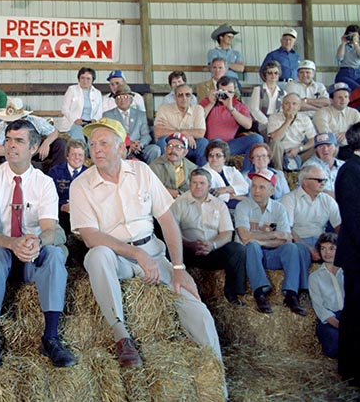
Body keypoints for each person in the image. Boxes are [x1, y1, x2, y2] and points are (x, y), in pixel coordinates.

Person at [69, 118, 223, 373]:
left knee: (198, 310)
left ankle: (218, 383)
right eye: (92, 143)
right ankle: (122, 338)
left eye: (104, 143)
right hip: (117, 257)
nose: (96, 148)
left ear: (122, 148)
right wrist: (136, 253)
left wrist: (178, 267)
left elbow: (167, 219)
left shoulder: (141, 172)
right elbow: (90, 236)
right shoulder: (81, 185)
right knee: (96, 255)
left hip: (153, 251)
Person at [0, 118, 76, 369]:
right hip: (3, 254)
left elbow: (50, 230)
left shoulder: (44, 183)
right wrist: (12, 243)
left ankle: (51, 337)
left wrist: (36, 242)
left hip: (33, 253)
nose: (11, 146)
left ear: (33, 148)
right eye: (8, 140)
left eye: (18, 141)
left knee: (53, 254)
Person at [235, 169, 309, 315]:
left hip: (272, 253)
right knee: (252, 246)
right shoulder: (243, 206)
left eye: (261, 187)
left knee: (291, 247)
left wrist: (261, 240)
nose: (256, 191)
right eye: (254, 186)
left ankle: (291, 293)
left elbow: (287, 237)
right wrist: (274, 234)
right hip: (252, 257)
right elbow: (244, 236)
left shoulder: (279, 208)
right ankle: (260, 292)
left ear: (272, 190)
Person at [171, 168, 246, 305]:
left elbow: (227, 233)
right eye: (194, 183)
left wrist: (213, 245)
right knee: (168, 250)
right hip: (187, 250)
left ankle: (233, 294)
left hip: (212, 250)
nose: (198, 186)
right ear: (190, 184)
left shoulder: (219, 205)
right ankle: (177, 295)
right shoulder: (179, 204)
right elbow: (172, 232)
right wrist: (189, 244)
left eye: (202, 183)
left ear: (209, 186)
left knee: (237, 249)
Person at [333, 121, 360, 385]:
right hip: (356, 254)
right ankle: (351, 368)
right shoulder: (351, 171)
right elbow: (354, 219)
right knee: (354, 312)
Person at [280, 165, 341, 265]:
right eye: (319, 180)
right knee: (301, 251)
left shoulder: (327, 200)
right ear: (305, 182)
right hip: (299, 241)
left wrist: (338, 244)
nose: (323, 183)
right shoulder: (289, 199)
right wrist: (310, 249)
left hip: (321, 241)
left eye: (324, 180)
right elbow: (288, 230)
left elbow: (339, 225)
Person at [200, 76, 262, 172]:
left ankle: (245, 174)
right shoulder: (208, 101)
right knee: (217, 141)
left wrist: (231, 108)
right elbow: (197, 119)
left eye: (229, 92)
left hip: (230, 144)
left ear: (234, 92)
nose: (226, 95)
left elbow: (248, 125)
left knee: (257, 138)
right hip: (211, 143)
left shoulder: (239, 106)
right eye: (222, 92)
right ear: (217, 91)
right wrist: (211, 103)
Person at [0, 97, 66, 174]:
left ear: (23, 117)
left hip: (37, 153)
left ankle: (58, 175)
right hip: (14, 155)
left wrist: (46, 143)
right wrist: (17, 151)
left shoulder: (35, 120)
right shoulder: (3, 125)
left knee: (60, 144)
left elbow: (54, 131)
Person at [103, 84, 160, 163]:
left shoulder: (140, 114)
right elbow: (110, 136)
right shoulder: (108, 115)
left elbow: (146, 135)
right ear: (115, 101)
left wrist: (140, 144)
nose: (122, 100)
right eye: (119, 97)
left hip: (138, 148)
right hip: (120, 148)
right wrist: (128, 145)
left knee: (155, 149)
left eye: (125, 97)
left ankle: (148, 173)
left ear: (131, 100)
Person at [153, 83, 208, 166]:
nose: (184, 98)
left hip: (190, 145)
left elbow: (200, 133)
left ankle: (202, 175)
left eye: (187, 95)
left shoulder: (198, 109)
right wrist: (185, 134)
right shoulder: (164, 109)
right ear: (175, 97)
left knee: (203, 142)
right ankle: (167, 174)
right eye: (180, 95)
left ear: (192, 98)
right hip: (171, 144)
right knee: (162, 141)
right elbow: (158, 132)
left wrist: (175, 131)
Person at [309, 233, 343, 359]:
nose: (326, 253)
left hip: (349, 315)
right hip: (330, 319)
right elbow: (319, 307)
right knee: (334, 345)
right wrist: (339, 325)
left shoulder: (347, 272)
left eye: (331, 248)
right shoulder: (315, 277)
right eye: (323, 248)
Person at [266, 93, 316, 171]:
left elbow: (313, 139)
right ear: (282, 106)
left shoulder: (305, 119)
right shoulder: (274, 117)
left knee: (318, 145)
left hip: (298, 152)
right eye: (287, 103)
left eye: (294, 104)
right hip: (280, 154)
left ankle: (306, 171)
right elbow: (275, 138)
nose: (290, 107)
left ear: (299, 107)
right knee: (276, 143)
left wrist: (299, 149)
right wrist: (287, 121)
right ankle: (279, 172)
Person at [48, 139, 88, 236]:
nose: (76, 158)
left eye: (80, 155)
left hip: (83, 215)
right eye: (73, 154)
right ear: (67, 156)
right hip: (60, 214)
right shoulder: (55, 172)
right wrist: (62, 206)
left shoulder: (89, 174)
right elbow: (48, 198)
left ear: (85, 157)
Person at [314, 82, 360, 160]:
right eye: (339, 97)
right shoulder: (321, 113)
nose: (343, 100)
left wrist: (346, 134)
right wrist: (349, 136)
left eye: (346, 97)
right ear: (331, 100)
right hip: (329, 149)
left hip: (350, 148)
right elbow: (327, 136)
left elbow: (358, 134)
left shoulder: (354, 113)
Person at [59, 66, 103, 140]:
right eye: (82, 78)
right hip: (74, 123)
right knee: (79, 141)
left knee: (93, 141)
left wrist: (95, 120)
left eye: (88, 78)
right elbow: (64, 109)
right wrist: (75, 120)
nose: (85, 81)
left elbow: (99, 111)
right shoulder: (72, 90)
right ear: (79, 78)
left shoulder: (97, 93)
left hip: (91, 124)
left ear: (93, 80)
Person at [202, 140, 249, 209]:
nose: (214, 158)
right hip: (217, 206)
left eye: (218, 155)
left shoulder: (231, 170)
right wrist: (235, 196)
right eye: (211, 155)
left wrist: (225, 189)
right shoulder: (203, 172)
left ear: (224, 158)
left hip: (236, 201)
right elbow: (210, 195)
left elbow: (245, 187)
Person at [149, 133, 197, 198]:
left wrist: (177, 193)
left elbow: (195, 190)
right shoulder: (155, 166)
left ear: (185, 152)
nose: (173, 150)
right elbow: (153, 189)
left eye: (178, 147)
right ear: (165, 149)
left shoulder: (192, 168)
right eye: (170, 146)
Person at [249, 61, 286, 136]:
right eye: (270, 73)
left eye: (276, 73)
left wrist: (274, 121)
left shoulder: (283, 93)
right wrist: (268, 122)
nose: (273, 75)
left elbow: (282, 110)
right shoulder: (258, 90)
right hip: (261, 122)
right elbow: (254, 110)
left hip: (276, 121)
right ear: (265, 74)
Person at [304, 132, 343, 198]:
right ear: (315, 150)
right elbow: (305, 189)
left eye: (329, 145)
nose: (325, 149)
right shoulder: (310, 166)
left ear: (336, 148)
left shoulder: (344, 165)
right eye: (320, 146)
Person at [335, 25, 360, 90]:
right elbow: (339, 58)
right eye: (351, 36)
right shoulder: (344, 46)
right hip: (345, 73)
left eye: (354, 36)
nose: (352, 38)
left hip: (358, 72)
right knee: (357, 89)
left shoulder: (358, 47)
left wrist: (356, 43)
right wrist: (343, 43)